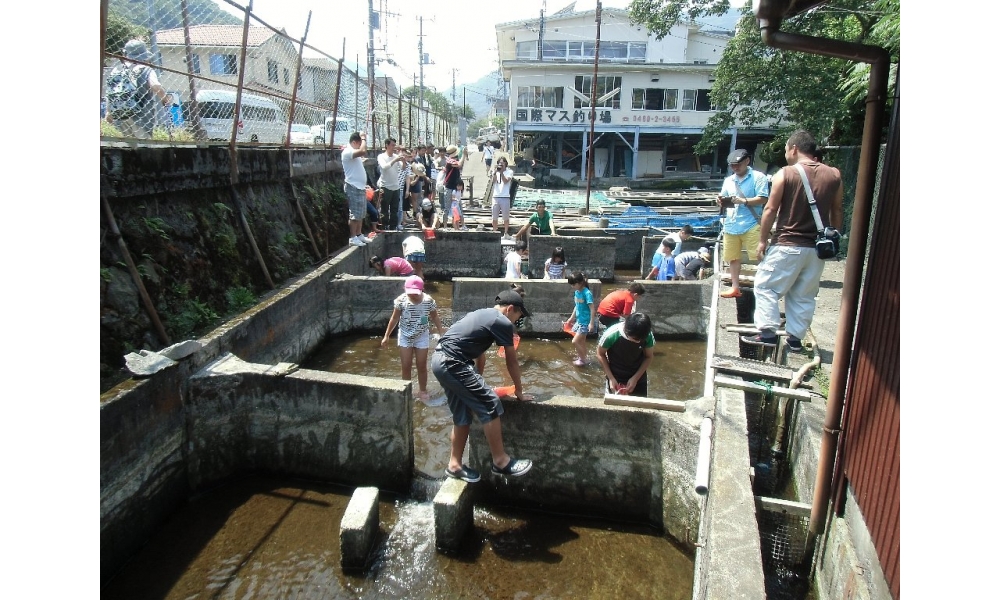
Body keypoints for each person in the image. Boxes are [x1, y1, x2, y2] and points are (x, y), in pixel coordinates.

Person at [742, 130, 844, 352]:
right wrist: (833, 236)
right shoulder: (834, 174)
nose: (787, 153)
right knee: (804, 294)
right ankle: (795, 340)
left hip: (788, 243)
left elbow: (770, 208)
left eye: (787, 149)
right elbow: (837, 210)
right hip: (817, 248)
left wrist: (762, 241)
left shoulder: (785, 174)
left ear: (795, 149)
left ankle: (767, 333)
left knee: (765, 286)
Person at [431, 290, 534, 482]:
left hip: (439, 359)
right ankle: (501, 462)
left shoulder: (482, 314)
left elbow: (479, 352)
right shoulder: (502, 322)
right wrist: (519, 391)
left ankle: (454, 465)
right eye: (518, 316)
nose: (516, 322)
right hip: (453, 362)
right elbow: (511, 361)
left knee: (462, 413)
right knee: (490, 403)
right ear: (510, 309)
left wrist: (477, 378)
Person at [381, 275, 446, 403]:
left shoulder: (428, 301)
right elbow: (394, 318)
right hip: (405, 336)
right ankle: (406, 389)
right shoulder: (401, 300)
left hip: (421, 336)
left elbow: (435, 317)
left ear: (421, 290)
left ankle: (423, 390)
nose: (412, 296)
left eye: (415, 294)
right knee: (406, 365)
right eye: (410, 293)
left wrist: (441, 332)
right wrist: (386, 335)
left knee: (421, 365)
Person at [718, 148, 770, 298]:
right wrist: (720, 201)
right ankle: (735, 286)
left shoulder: (758, 177)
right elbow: (724, 198)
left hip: (751, 222)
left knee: (759, 256)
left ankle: (764, 286)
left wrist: (744, 201)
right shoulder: (729, 180)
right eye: (732, 165)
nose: (735, 168)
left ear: (747, 161)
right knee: (732, 257)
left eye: (738, 164)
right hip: (731, 224)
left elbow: (763, 198)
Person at [105, 39, 171, 138]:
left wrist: (108, 111)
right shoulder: (145, 69)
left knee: (128, 147)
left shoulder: (116, 70)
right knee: (143, 147)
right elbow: (155, 85)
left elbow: (110, 91)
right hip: (141, 116)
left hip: (120, 115)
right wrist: (164, 99)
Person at [597, 313, 655, 397]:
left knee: (639, 407)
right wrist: (611, 378)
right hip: (615, 376)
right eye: (635, 339)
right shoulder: (612, 335)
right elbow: (600, 354)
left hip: (638, 375)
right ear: (627, 331)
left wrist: (635, 378)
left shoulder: (647, 335)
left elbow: (649, 357)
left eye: (641, 339)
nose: (638, 342)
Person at [342, 132, 374, 247]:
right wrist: (364, 138)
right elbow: (363, 151)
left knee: (361, 213)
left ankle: (359, 234)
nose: (361, 146)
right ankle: (353, 237)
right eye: (359, 143)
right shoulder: (348, 151)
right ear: (354, 142)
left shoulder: (354, 153)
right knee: (354, 213)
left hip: (360, 187)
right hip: (352, 186)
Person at [564, 272, 597, 367]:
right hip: (579, 321)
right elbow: (577, 306)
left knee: (575, 341)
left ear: (580, 283)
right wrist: (571, 318)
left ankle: (583, 360)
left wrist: (591, 323)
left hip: (585, 322)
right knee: (582, 342)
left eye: (573, 284)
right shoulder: (577, 292)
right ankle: (583, 357)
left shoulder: (587, 293)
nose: (572, 286)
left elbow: (592, 308)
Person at [377, 138, 407, 231]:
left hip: (396, 186)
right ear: (387, 145)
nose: (394, 147)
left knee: (395, 209)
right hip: (385, 186)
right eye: (392, 145)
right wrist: (395, 160)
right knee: (384, 209)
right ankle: (384, 225)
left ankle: (393, 227)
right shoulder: (381, 156)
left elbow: (403, 168)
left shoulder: (395, 156)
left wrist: (403, 161)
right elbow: (384, 167)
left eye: (394, 145)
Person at [443, 144, 468, 227]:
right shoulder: (449, 161)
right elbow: (459, 165)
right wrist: (464, 155)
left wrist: (464, 156)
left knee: (459, 207)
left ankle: (462, 225)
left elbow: (460, 165)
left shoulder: (454, 159)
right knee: (447, 207)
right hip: (450, 187)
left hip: (456, 188)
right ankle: (445, 225)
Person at [490, 156, 515, 236]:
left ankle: (506, 232)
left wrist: (501, 173)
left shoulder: (509, 171)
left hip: (505, 197)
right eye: (499, 163)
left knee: (505, 217)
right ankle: (494, 232)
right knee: (494, 216)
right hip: (496, 196)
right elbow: (493, 182)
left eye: (502, 163)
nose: (500, 165)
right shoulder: (496, 171)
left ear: (505, 163)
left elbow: (505, 181)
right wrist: (495, 172)